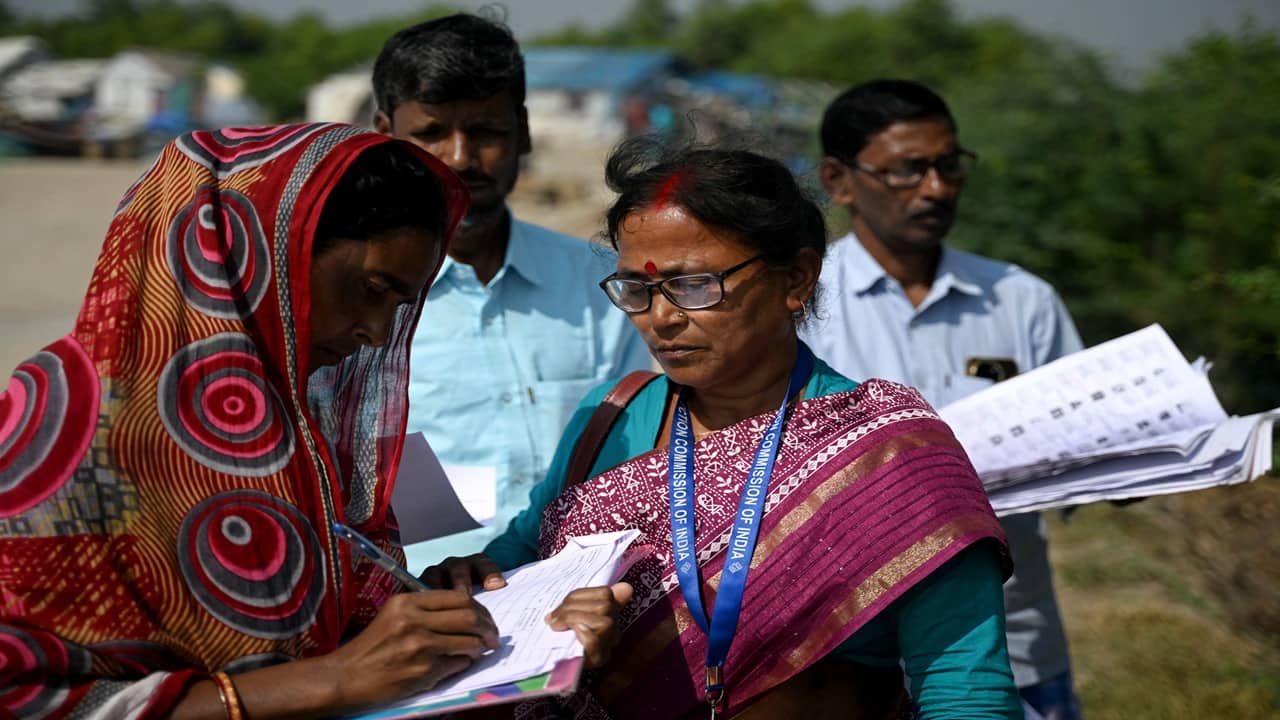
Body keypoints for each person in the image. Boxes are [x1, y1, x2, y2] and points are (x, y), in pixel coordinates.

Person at [0, 124, 624, 719]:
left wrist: (419, 600)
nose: (376, 333)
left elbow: (340, 612)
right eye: (370, 288)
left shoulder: (304, 415)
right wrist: (328, 681)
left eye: (398, 306)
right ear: (264, 252)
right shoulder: (64, 421)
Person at [441, 137, 1022, 719]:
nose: (661, 317)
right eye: (636, 290)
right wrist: (488, 584)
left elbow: (963, 688)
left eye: (694, 285)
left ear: (796, 278)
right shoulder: (612, 418)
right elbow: (520, 562)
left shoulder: (886, 450)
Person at [803, 79, 1085, 720]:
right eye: (907, 171)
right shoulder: (801, 306)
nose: (935, 188)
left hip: (1017, 649)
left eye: (948, 166)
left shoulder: (1021, 299)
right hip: (848, 660)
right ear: (839, 181)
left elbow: (1091, 452)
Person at [371, 14, 652, 568]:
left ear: (522, 131)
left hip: (592, 583)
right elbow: (375, 463)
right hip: (431, 595)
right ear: (386, 136)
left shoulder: (601, 282)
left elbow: (642, 431)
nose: (459, 157)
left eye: (486, 132)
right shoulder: (365, 303)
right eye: (430, 134)